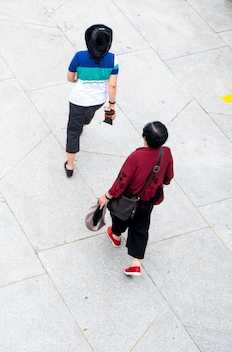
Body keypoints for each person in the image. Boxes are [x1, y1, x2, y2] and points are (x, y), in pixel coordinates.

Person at [97, 121, 174, 276]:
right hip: (148, 200)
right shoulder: (165, 152)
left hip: (129, 198)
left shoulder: (136, 156)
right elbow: (168, 176)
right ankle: (136, 263)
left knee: (119, 217)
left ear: (144, 137)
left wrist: (106, 197)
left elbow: (122, 181)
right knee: (141, 226)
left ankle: (116, 236)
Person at [65, 24, 119, 177]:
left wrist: (76, 79)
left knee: (72, 132)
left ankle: (70, 165)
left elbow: (70, 77)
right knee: (88, 116)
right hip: (98, 100)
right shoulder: (113, 59)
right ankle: (84, 122)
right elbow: (113, 85)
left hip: (78, 100)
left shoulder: (79, 57)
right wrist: (112, 104)